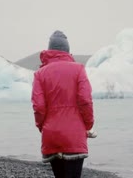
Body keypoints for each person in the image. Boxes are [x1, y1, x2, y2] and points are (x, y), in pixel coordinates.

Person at [31, 30, 95, 178]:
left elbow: (38, 106)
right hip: (75, 135)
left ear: (49, 50)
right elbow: (85, 100)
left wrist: (43, 127)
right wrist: (88, 125)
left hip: (51, 134)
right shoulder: (78, 69)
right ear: (67, 50)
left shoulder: (40, 74)